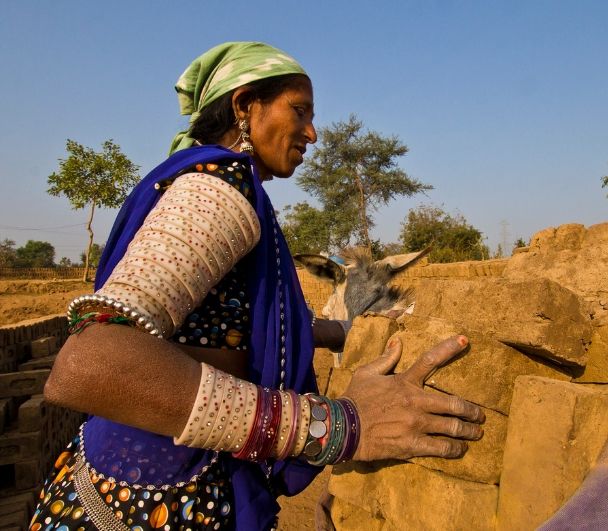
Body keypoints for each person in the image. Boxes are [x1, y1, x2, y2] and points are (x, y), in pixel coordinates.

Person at [31, 42, 484, 531]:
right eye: (300, 110)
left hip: (121, 482)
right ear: (245, 105)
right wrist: (340, 427)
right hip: (157, 505)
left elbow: (219, 325)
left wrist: (339, 333)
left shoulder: (219, 186)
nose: (312, 131)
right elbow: (92, 364)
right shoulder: (221, 188)